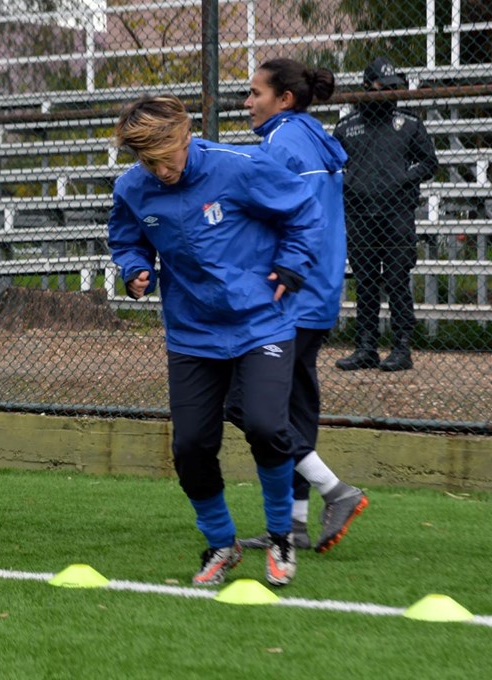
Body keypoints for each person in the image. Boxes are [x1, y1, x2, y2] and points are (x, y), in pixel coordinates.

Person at [108, 95, 324, 587]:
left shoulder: (239, 167)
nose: (160, 170)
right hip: (192, 332)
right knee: (190, 447)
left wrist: (293, 264)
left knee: (268, 427)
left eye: (166, 156)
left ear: (185, 137)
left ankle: (280, 537)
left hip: (260, 323)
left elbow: (305, 211)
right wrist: (135, 268)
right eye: (148, 161)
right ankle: (221, 543)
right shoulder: (132, 188)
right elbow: (126, 238)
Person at [236, 58, 368, 553]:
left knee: (247, 405)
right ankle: (293, 524)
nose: (247, 103)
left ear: (283, 99)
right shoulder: (311, 134)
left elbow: (278, 218)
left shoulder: (281, 142)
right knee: (293, 408)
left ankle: (336, 489)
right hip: (318, 291)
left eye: (254, 94)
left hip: (289, 295)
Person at [333, 57, 439, 372]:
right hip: (360, 213)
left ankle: (401, 348)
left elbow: (429, 163)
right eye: (385, 87)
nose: (391, 93)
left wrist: (402, 179)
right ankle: (365, 347)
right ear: (367, 87)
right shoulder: (346, 127)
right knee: (365, 280)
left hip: (397, 214)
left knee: (396, 279)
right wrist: (348, 183)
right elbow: (332, 166)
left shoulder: (408, 124)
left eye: (395, 87)